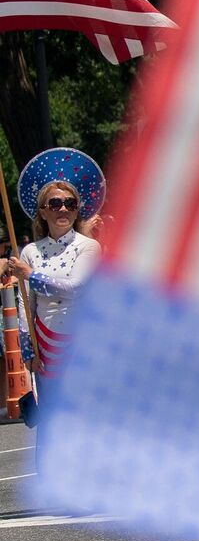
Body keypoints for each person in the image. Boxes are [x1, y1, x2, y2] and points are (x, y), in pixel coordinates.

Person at [6, 149, 106, 389]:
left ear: (77, 209)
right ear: (42, 211)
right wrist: (28, 350)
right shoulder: (30, 252)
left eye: (70, 204)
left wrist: (31, 275)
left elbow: (74, 287)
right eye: (55, 203)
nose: (63, 209)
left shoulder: (89, 247)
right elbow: (25, 305)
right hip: (45, 348)